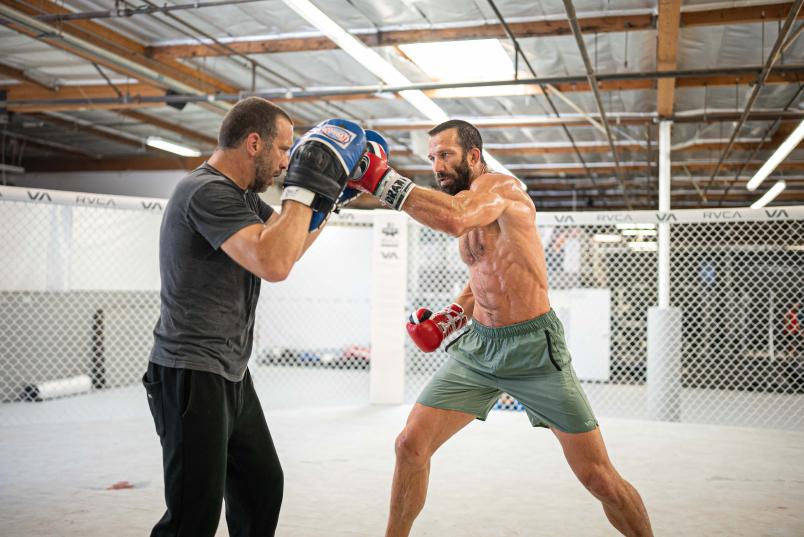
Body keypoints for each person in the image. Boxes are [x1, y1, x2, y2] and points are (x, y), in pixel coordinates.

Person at [348, 119, 653, 537]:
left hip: (533, 350)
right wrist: (446, 322)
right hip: (479, 349)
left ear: (474, 155)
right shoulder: (466, 201)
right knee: (409, 445)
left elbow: (457, 219)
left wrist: (382, 181)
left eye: (446, 155)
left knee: (597, 476)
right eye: (432, 157)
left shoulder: (503, 191)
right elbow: (481, 280)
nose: (437, 166)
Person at [142, 96, 366, 537]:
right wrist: (303, 187)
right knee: (192, 515)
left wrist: (331, 198)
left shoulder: (238, 196)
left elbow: (290, 246)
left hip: (229, 371)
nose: (287, 161)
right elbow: (274, 264)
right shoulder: (205, 191)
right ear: (253, 143)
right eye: (284, 149)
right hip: (191, 372)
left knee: (261, 485)